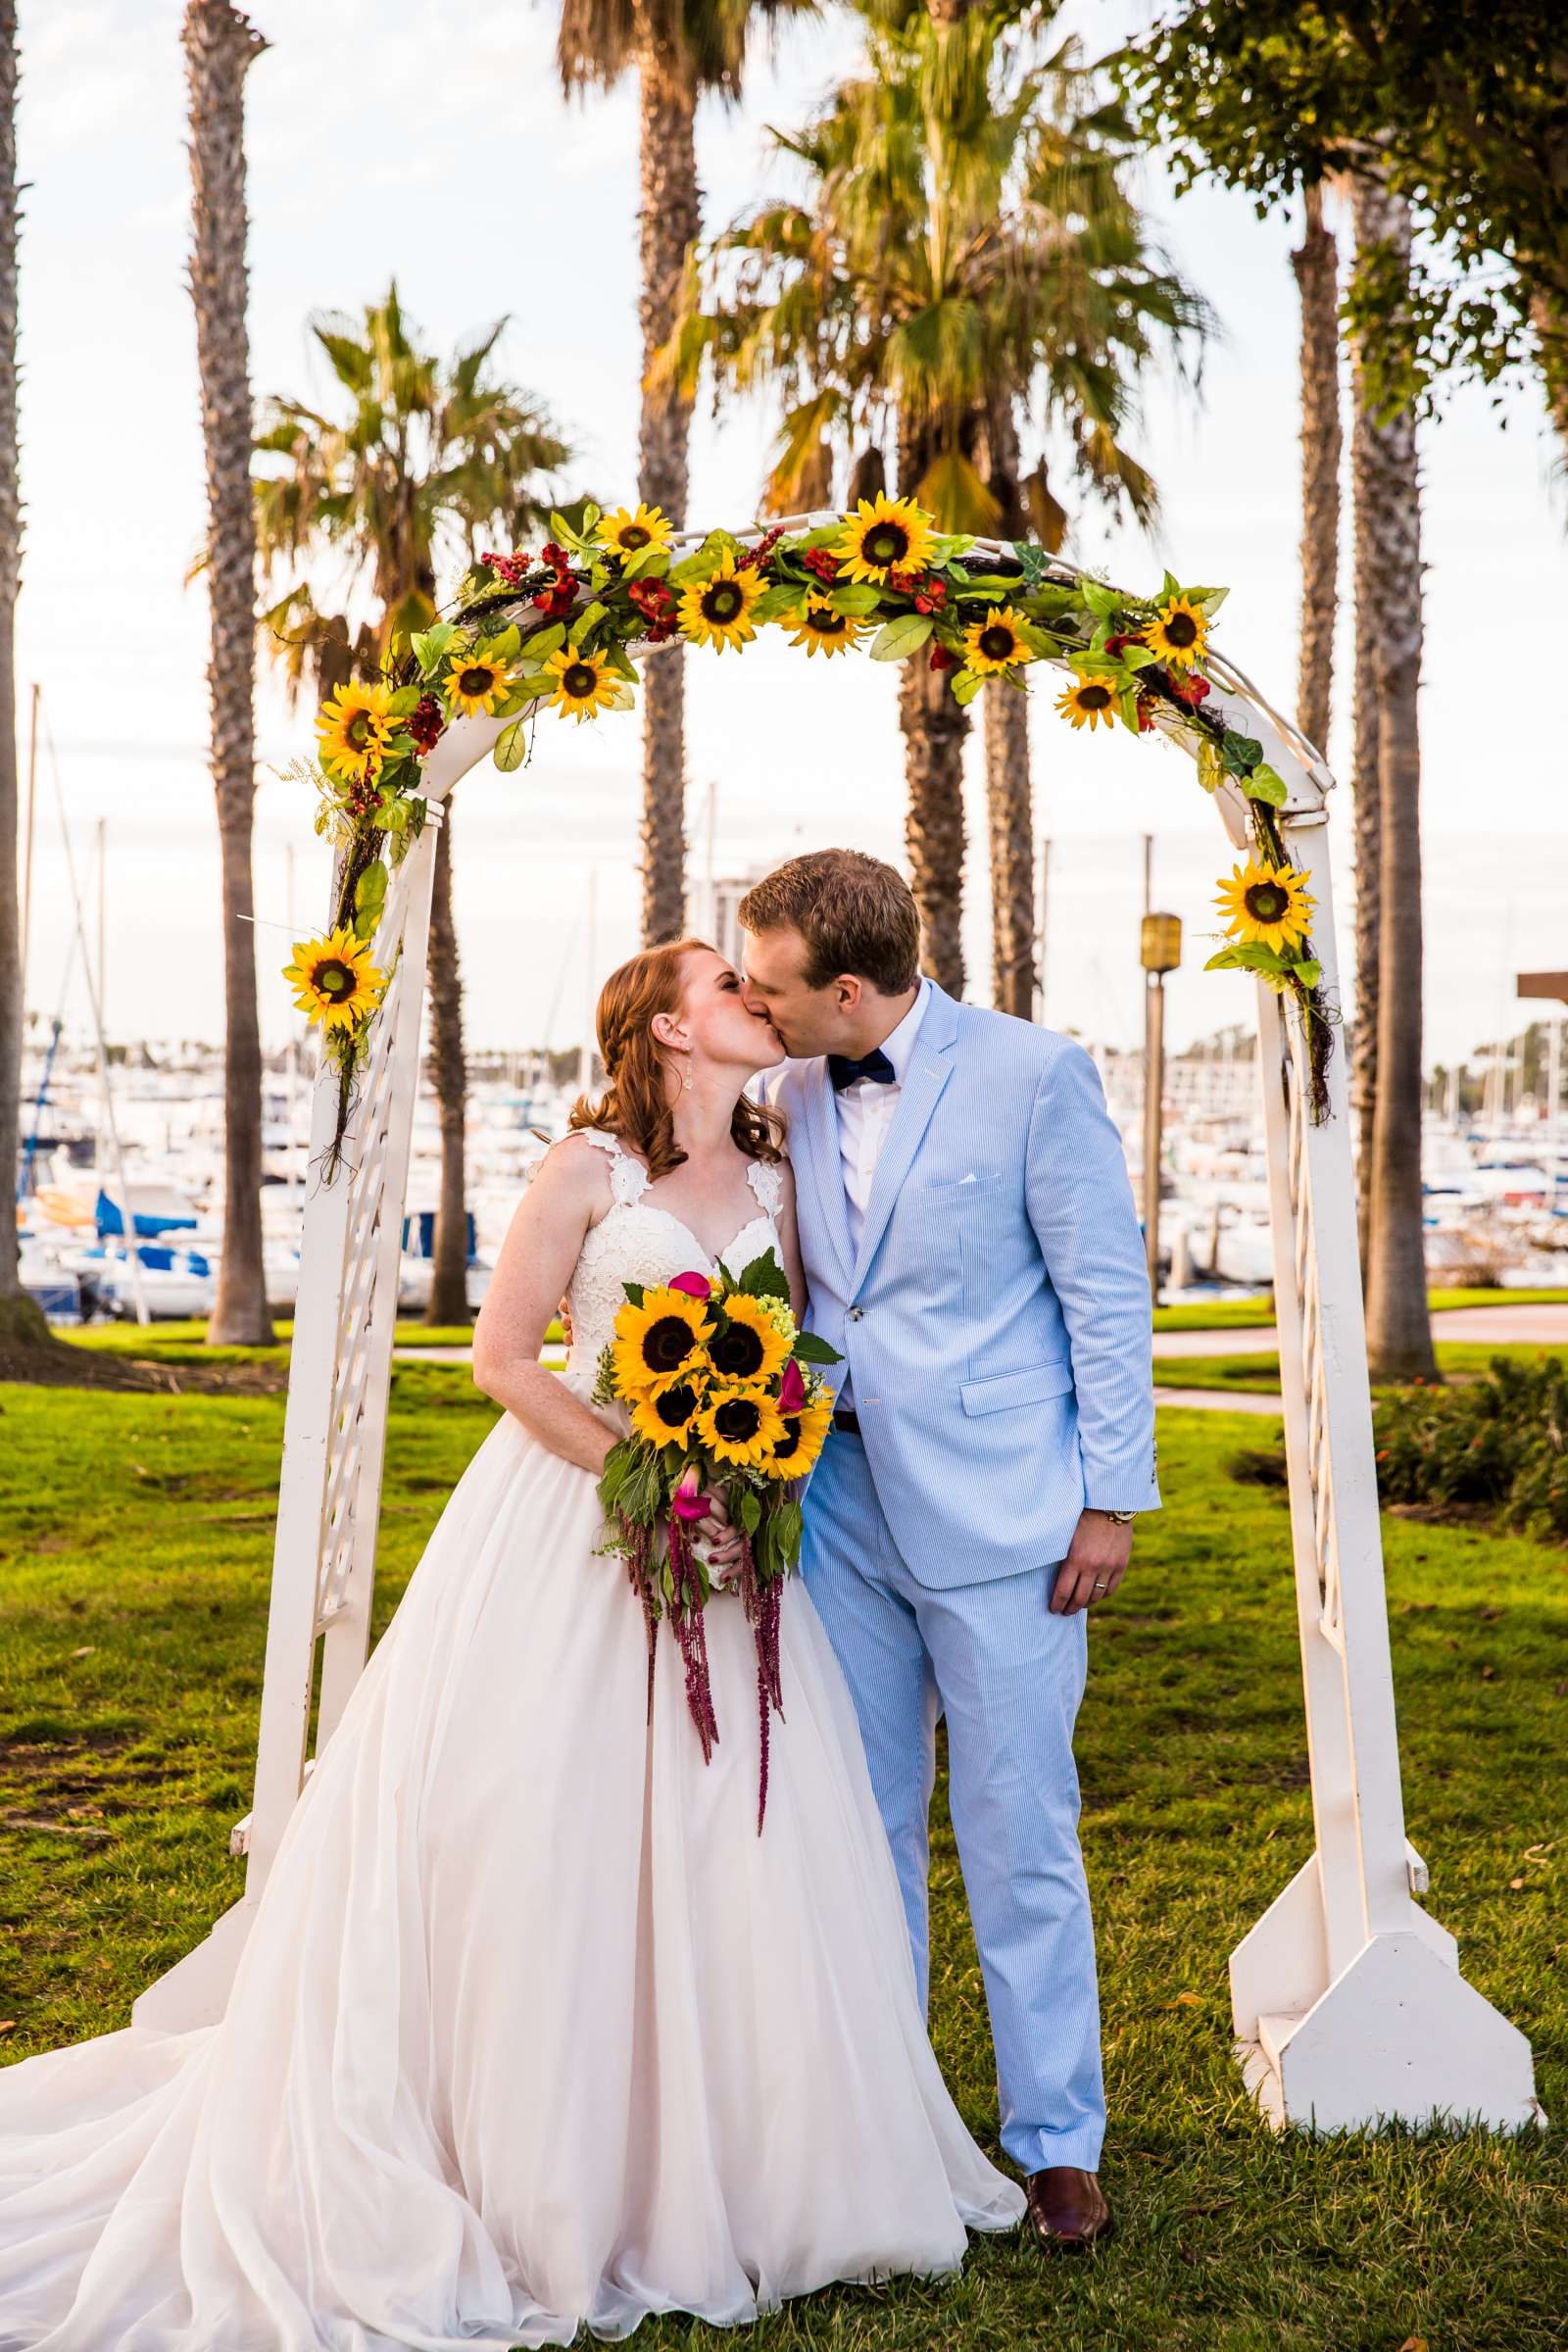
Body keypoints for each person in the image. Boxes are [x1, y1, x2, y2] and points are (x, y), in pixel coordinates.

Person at [0, 939, 1021, 2352]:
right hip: (579, 1536)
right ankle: (553, 2170)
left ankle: (751, 2163)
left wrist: (749, 1485)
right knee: (552, 1832)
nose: (757, 1002)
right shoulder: (588, 1173)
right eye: (730, 983)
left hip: (733, 1553)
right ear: (671, 1026)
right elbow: (503, 1360)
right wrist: (648, 1480)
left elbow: (802, 1352)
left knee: (745, 1840)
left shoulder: (788, 1175)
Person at [733, 850, 1160, 2255]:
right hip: (840, 1512)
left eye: (773, 985)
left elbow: (1105, 1295)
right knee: (861, 1838)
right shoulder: (786, 1090)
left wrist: (1112, 1501)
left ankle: (1057, 2144)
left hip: (1013, 1524)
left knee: (1018, 1833)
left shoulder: (1038, 1077)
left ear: (847, 990)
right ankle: (892, 2127)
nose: (756, 1002)